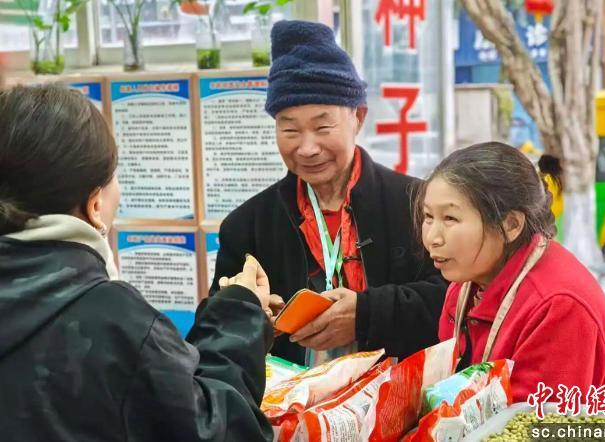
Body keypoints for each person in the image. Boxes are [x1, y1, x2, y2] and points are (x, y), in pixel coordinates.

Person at [0, 84, 274, 441]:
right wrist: (238, 316)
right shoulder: (110, 319)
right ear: (94, 205)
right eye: (114, 176)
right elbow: (216, 429)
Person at [210, 20, 447, 366]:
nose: (307, 148)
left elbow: (456, 297)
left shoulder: (416, 203)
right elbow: (215, 329)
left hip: (399, 394)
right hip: (291, 398)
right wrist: (252, 316)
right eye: (290, 130)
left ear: (358, 117)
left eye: (323, 127)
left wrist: (367, 313)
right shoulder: (246, 226)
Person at [417, 142, 605, 404]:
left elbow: (534, 420)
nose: (432, 237)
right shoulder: (465, 284)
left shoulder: (558, 304)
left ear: (511, 225)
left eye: (450, 218)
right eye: (428, 216)